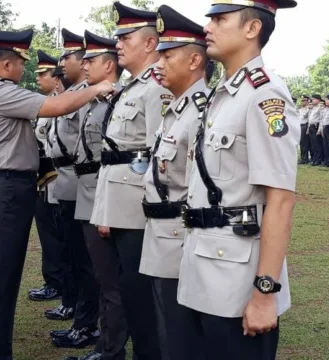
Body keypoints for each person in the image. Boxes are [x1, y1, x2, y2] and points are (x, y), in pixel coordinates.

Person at [0, 29, 116, 360]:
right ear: (6, 64)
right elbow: (57, 105)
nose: (24, 70)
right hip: (4, 189)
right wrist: (99, 88)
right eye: (21, 62)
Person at [178, 1, 299, 359]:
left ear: (252, 29)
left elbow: (280, 199)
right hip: (202, 267)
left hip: (237, 282)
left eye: (219, 19)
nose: (207, 27)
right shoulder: (223, 94)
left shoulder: (265, 94)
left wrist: (265, 293)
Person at [89, 2, 171, 359]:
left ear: (150, 44)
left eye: (126, 37)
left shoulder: (156, 88)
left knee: (141, 297)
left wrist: (134, 208)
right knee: (123, 289)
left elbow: (158, 156)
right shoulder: (130, 87)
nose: (118, 44)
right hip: (117, 203)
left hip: (137, 210)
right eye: (118, 37)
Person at [138, 5, 209, 359]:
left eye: (167, 55)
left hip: (180, 236)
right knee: (166, 327)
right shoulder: (177, 109)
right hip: (160, 234)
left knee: (181, 335)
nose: (158, 63)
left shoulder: (201, 111)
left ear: (195, 61)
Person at [61, 30, 126, 360]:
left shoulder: (116, 100)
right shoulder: (95, 98)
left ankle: (111, 350)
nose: (84, 65)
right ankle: (104, 344)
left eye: (91, 60)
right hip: (89, 191)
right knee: (101, 277)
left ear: (110, 65)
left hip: (103, 191)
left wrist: (108, 207)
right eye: (83, 60)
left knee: (110, 281)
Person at [45, 30, 100, 337]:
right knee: (71, 252)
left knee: (85, 259)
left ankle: (86, 322)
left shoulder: (86, 95)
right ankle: (79, 313)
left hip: (82, 182)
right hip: (66, 182)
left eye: (67, 56)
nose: (61, 62)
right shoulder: (73, 93)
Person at [29, 51, 65, 303]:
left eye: (44, 74)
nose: (39, 79)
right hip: (44, 179)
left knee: (58, 234)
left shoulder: (63, 103)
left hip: (60, 177)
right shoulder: (45, 104)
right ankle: (52, 280)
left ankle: (59, 282)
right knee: (47, 233)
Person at [308, 94, 324, 166]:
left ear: (318, 100)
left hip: (316, 127)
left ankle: (318, 160)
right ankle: (314, 159)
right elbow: (310, 119)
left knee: (317, 145)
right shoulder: (313, 108)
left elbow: (321, 119)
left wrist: (319, 130)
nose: (312, 100)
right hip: (311, 126)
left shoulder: (320, 108)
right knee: (313, 145)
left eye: (314, 99)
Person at [298, 95, 311, 164]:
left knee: (304, 143)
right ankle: (302, 157)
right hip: (300, 126)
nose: (302, 102)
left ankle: (305, 159)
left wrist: (307, 107)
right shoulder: (300, 109)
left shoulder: (308, 109)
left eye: (304, 100)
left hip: (305, 126)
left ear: (307, 101)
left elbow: (307, 118)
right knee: (301, 143)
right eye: (301, 100)